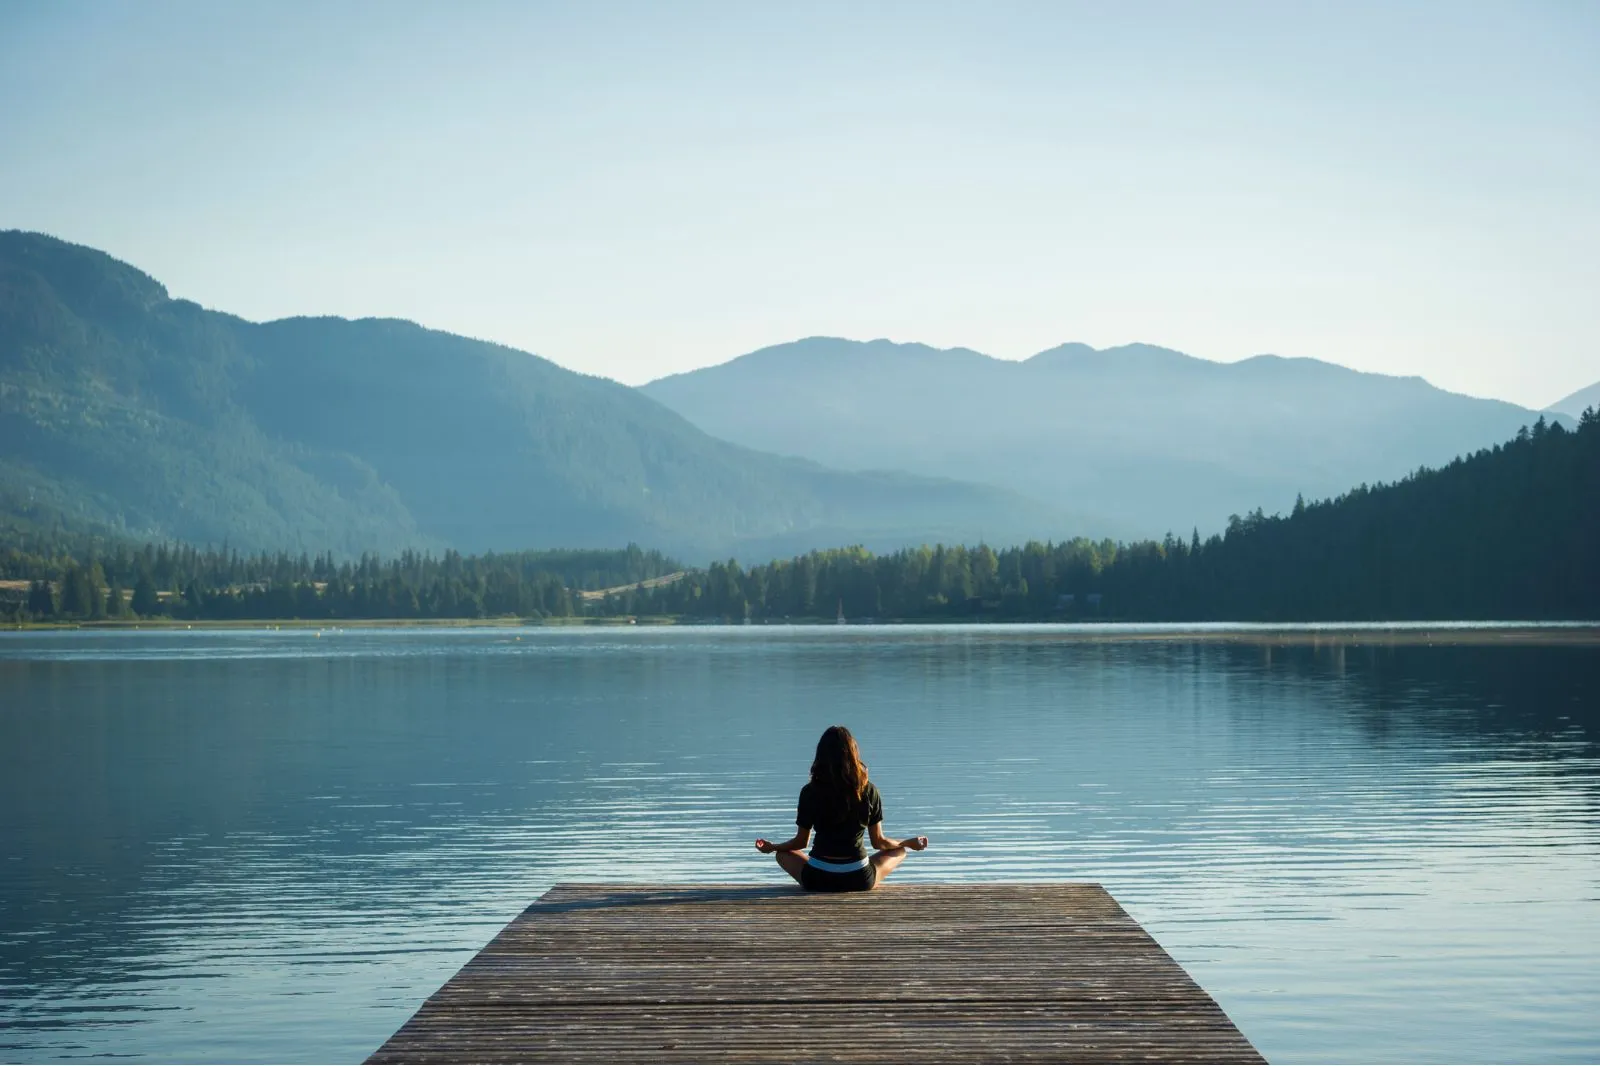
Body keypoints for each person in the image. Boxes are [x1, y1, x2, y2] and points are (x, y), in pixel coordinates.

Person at [755, 724, 928, 891]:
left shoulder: (809, 791)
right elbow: (879, 843)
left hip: (817, 878)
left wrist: (773, 847)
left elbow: (801, 842)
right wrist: (908, 843)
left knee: (782, 854)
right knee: (900, 851)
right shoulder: (868, 790)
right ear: (853, 754)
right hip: (859, 878)